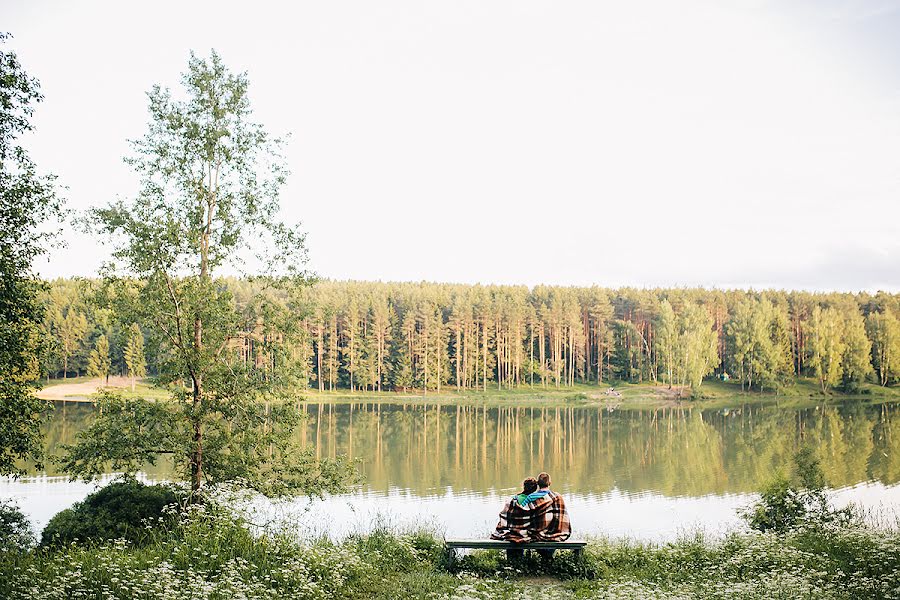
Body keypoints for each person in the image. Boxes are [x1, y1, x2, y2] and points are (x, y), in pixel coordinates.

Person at [491, 472, 571, 561]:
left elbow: (523, 511)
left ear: (538, 484)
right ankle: (547, 560)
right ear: (549, 483)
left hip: (532, 531)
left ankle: (516, 562)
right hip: (548, 531)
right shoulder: (556, 497)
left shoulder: (530, 497)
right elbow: (560, 515)